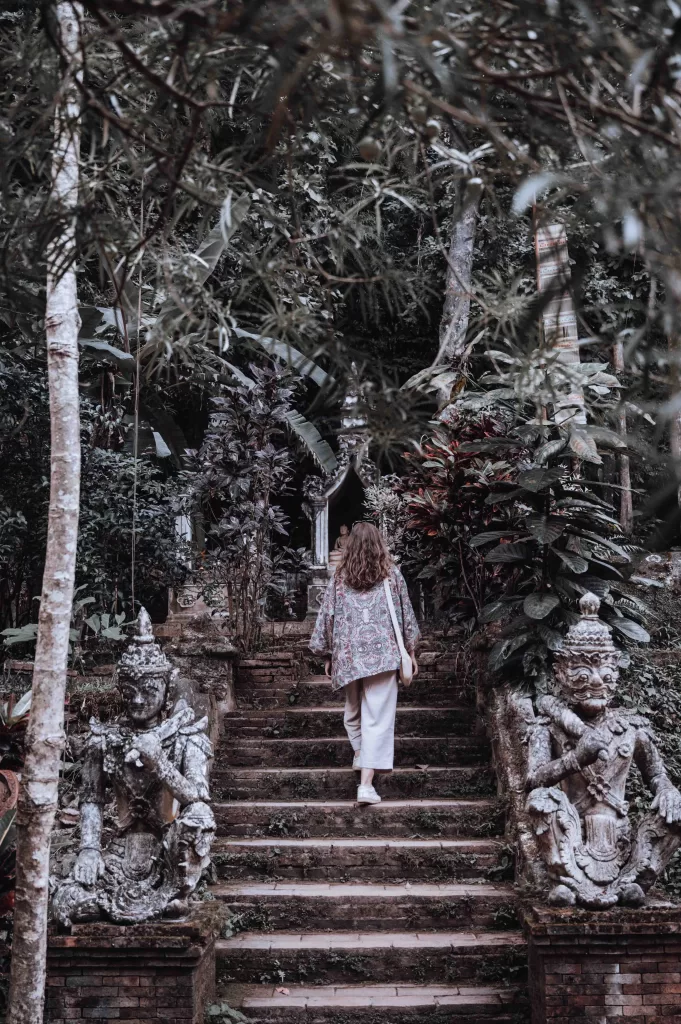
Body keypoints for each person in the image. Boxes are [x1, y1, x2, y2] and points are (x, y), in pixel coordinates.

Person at [310, 522, 420, 805]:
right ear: (378, 544)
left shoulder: (339, 577)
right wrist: (410, 650)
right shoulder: (391, 575)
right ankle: (366, 786)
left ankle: (361, 756)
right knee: (377, 721)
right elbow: (405, 613)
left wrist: (327, 655)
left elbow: (327, 617)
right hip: (382, 656)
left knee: (353, 713)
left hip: (349, 657)